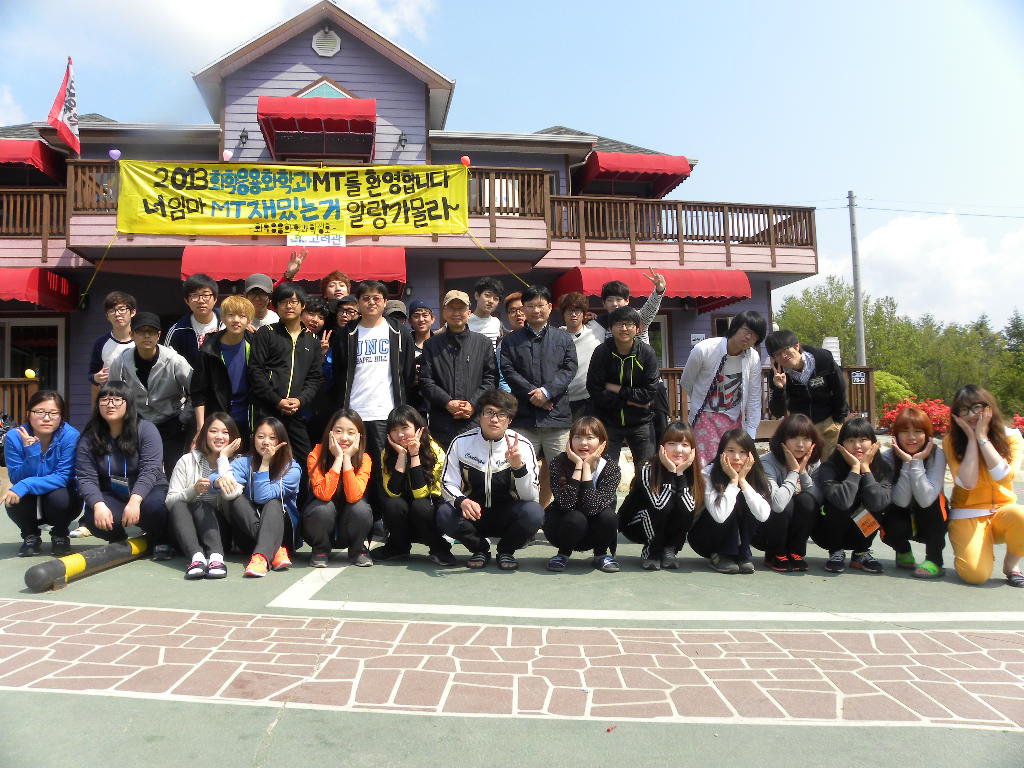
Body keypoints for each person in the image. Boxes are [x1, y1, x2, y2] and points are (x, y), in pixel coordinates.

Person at [437, 388, 543, 570]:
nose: (494, 419)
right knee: (444, 513)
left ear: (509, 420)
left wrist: (518, 467)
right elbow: (447, 483)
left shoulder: (523, 446)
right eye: (489, 412)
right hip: (473, 514)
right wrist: (462, 501)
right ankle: (480, 549)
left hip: (508, 515)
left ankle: (506, 551)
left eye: (501, 415)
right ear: (480, 415)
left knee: (534, 513)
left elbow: (530, 496)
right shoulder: (461, 442)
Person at [331, 279, 416, 506]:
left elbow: (408, 373)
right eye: (366, 298)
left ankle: (383, 517)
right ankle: (358, 514)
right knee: (353, 466)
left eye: (377, 298)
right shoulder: (346, 333)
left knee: (383, 469)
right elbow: (338, 374)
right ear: (358, 303)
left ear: (385, 302)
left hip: (385, 412)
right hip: (353, 414)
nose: (371, 302)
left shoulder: (399, 332)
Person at [500, 285, 577, 507]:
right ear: (524, 308)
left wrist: (547, 392)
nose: (536, 310)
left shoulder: (563, 338)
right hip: (524, 419)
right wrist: (534, 395)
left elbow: (569, 368)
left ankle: (558, 518)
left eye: (540, 305)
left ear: (550, 307)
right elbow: (508, 370)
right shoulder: (511, 340)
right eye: (530, 306)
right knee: (520, 472)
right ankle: (525, 518)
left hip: (557, 419)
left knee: (561, 474)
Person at [75, 382, 171, 559]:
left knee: (155, 507)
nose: (110, 404)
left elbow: (150, 469)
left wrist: (135, 501)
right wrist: (98, 505)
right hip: (114, 492)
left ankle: (160, 539)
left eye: (117, 399)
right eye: (104, 400)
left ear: (128, 403)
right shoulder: (90, 436)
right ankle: (118, 539)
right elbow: (85, 477)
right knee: (93, 516)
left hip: (149, 490)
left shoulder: (146, 429)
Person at [943, 385, 1024, 587]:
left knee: (1022, 516)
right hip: (967, 514)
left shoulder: (1011, 437)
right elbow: (968, 484)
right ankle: (981, 552)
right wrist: (972, 440)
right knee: (975, 575)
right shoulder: (951, 442)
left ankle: (1011, 564)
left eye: (976, 407)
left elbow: (1004, 477)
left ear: (988, 408)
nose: (971, 415)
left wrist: (982, 438)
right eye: (964, 410)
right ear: (956, 415)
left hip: (1003, 512)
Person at [249, 282, 323, 496]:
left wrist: (300, 400)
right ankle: (264, 500)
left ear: (302, 306)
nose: (288, 306)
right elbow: (256, 371)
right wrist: (276, 400)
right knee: (266, 457)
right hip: (268, 410)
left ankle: (302, 505)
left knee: (305, 459)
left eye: (293, 301)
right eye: (283, 302)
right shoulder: (266, 333)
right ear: (276, 306)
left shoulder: (312, 340)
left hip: (296, 412)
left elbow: (314, 378)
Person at [210, 416, 300, 577]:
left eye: (272, 437)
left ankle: (261, 557)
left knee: (273, 502)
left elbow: (262, 496)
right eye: (261, 436)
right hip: (249, 535)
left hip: (283, 535)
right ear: (253, 439)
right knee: (236, 500)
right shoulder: (245, 462)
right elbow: (215, 479)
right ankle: (275, 551)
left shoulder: (291, 468)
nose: (266, 442)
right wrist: (218, 480)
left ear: (282, 441)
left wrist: (265, 464)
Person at [108, 312, 194, 476]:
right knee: (139, 472)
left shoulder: (174, 360)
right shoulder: (121, 362)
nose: (146, 336)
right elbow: (113, 393)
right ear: (132, 334)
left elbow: (196, 390)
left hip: (171, 422)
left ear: (159, 335)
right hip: (137, 423)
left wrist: (183, 418)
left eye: (152, 331)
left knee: (174, 472)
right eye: (141, 331)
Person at [372, 405, 456, 565]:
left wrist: (414, 454)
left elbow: (421, 494)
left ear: (419, 428)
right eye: (394, 430)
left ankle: (439, 548)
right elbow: (393, 492)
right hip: (404, 514)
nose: (400, 435)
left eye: (405, 428)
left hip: (429, 511)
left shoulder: (434, 450)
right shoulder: (388, 453)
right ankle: (397, 547)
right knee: (393, 504)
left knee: (420, 506)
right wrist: (402, 456)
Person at [680, 310, 766, 463]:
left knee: (732, 464)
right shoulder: (704, 349)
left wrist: (751, 432)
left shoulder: (753, 357)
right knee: (705, 466)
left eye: (754, 335)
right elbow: (687, 381)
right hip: (705, 417)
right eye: (746, 330)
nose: (748, 337)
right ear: (735, 327)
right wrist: (700, 399)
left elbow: (754, 397)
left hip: (735, 419)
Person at [3, 391, 80, 557]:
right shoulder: (14, 437)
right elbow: (16, 477)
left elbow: (63, 476)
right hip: (30, 499)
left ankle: (60, 534)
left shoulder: (70, 436)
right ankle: (30, 535)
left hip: (58, 495)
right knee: (15, 498)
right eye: (39, 412)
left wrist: (26, 484)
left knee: (61, 497)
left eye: (53, 413)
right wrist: (32, 454)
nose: (46, 418)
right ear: (28, 413)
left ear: (61, 416)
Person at [617, 420, 703, 570]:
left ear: (692, 450)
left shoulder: (693, 472)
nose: (678, 450)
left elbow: (688, 510)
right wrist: (671, 472)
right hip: (636, 523)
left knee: (686, 508)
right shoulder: (647, 468)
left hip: (664, 522)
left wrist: (680, 474)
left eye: (685, 445)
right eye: (672, 444)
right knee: (656, 510)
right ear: (662, 446)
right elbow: (660, 506)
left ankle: (670, 550)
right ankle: (652, 551)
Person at [166, 412, 241, 579]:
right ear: (204, 434)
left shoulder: (237, 463)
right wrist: (193, 490)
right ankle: (196, 559)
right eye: (213, 431)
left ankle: (217, 559)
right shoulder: (186, 461)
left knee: (203, 504)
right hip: (186, 534)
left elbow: (233, 494)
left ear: (233, 438)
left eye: (225, 432)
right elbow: (170, 501)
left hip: (219, 533)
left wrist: (223, 458)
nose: (219, 436)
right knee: (180, 504)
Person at [418, 290, 497, 449]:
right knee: (443, 464)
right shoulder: (432, 345)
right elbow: (425, 380)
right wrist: (447, 402)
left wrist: (473, 404)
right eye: (451, 308)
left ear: (469, 312)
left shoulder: (483, 343)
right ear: (444, 312)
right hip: (442, 423)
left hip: (475, 421)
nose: (456, 313)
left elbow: (491, 379)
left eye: (461, 309)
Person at [586, 306, 659, 474]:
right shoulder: (602, 352)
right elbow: (594, 389)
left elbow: (649, 393)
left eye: (629, 324)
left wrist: (617, 389)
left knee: (646, 473)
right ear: (611, 328)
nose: (624, 328)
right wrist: (630, 401)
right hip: (608, 422)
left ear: (637, 328)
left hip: (641, 423)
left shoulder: (646, 353)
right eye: (619, 324)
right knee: (605, 473)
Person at [543, 416, 621, 573]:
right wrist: (579, 465)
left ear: (602, 442)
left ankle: (601, 554)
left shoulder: (610, 468)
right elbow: (566, 504)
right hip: (564, 528)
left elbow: (592, 508)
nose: (583, 443)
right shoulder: (558, 462)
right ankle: (563, 554)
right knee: (576, 517)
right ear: (570, 441)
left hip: (595, 532)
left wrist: (587, 470)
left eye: (590, 438)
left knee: (609, 516)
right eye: (577, 437)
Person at [814, 417, 891, 574]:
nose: (857, 446)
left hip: (862, 531)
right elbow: (842, 501)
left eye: (863, 440)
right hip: (828, 532)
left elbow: (877, 503)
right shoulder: (830, 467)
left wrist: (866, 469)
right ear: (841, 444)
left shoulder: (882, 468)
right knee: (841, 499)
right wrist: (856, 468)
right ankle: (836, 551)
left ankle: (861, 552)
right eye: (850, 440)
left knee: (876, 498)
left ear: (873, 442)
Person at [690, 429, 771, 574]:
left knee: (748, 498)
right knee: (729, 500)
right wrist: (733, 481)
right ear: (722, 452)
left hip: (740, 537)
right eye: (731, 451)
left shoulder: (756, 474)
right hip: (706, 537)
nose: (736, 457)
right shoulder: (708, 473)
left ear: (751, 455)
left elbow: (763, 515)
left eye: (742, 452)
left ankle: (742, 553)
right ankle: (722, 554)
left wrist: (743, 481)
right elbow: (719, 516)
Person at [882, 406, 948, 579]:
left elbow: (926, 499)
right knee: (886, 510)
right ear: (896, 435)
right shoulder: (887, 457)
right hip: (902, 512)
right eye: (905, 431)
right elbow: (901, 502)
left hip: (929, 515)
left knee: (934, 502)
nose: (911, 437)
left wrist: (917, 462)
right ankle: (903, 549)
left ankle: (934, 560)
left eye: (918, 431)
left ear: (927, 434)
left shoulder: (936, 455)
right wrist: (906, 463)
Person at [302, 409, 374, 568]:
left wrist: (347, 459)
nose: (344, 437)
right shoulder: (316, 454)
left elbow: (354, 496)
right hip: (319, 526)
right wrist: (338, 458)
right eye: (338, 431)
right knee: (323, 508)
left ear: (359, 436)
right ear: (330, 433)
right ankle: (320, 550)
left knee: (361, 509)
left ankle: (357, 550)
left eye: (351, 433)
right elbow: (324, 494)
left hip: (348, 527)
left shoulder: (365, 459)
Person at [753, 413, 823, 572]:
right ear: (782, 440)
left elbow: (819, 498)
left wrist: (803, 472)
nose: (800, 444)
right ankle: (775, 554)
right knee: (787, 502)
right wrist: (794, 472)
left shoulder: (813, 462)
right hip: (765, 530)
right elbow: (777, 505)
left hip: (795, 524)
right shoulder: (767, 462)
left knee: (807, 500)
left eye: (806, 439)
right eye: (794, 438)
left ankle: (795, 552)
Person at [765, 329, 848, 459]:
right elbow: (777, 411)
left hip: (828, 423)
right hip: (800, 431)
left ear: (796, 346)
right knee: (803, 468)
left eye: (786, 350)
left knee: (829, 466)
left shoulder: (822, 359)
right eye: (777, 354)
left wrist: (838, 419)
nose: (783, 356)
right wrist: (780, 388)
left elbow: (839, 388)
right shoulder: (777, 374)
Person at [191, 295, 255, 446]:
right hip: (218, 419)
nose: (236, 320)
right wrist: (200, 428)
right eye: (231, 315)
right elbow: (198, 392)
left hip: (248, 419)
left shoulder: (256, 344)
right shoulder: (209, 349)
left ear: (249, 321)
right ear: (223, 318)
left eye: (242, 316)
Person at [586, 268, 666, 346]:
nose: (614, 304)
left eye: (618, 299)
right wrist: (584, 319)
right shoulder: (601, 322)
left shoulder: (638, 318)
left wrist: (659, 290)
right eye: (610, 300)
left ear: (627, 301)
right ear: (604, 303)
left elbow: (651, 307)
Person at [164, 273, 222, 369]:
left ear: (215, 299)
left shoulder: (227, 323)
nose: (201, 300)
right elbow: (167, 363)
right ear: (187, 301)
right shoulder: (177, 330)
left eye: (206, 295)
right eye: (194, 295)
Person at [559, 291, 602, 421]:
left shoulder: (597, 328)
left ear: (584, 313)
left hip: (591, 399)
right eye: (569, 310)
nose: (573, 314)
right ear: (563, 314)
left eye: (577, 310)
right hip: (563, 400)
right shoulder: (556, 336)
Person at [88, 291, 136, 387]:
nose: (117, 314)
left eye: (122, 309)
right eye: (112, 311)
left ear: (133, 312)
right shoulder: (101, 343)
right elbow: (92, 374)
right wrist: (96, 378)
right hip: (111, 395)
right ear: (107, 317)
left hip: (139, 396)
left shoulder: (142, 340)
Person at [467, 276, 504, 350]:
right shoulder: (464, 321)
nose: (491, 301)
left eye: (496, 298)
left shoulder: (497, 323)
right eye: (487, 295)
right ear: (477, 295)